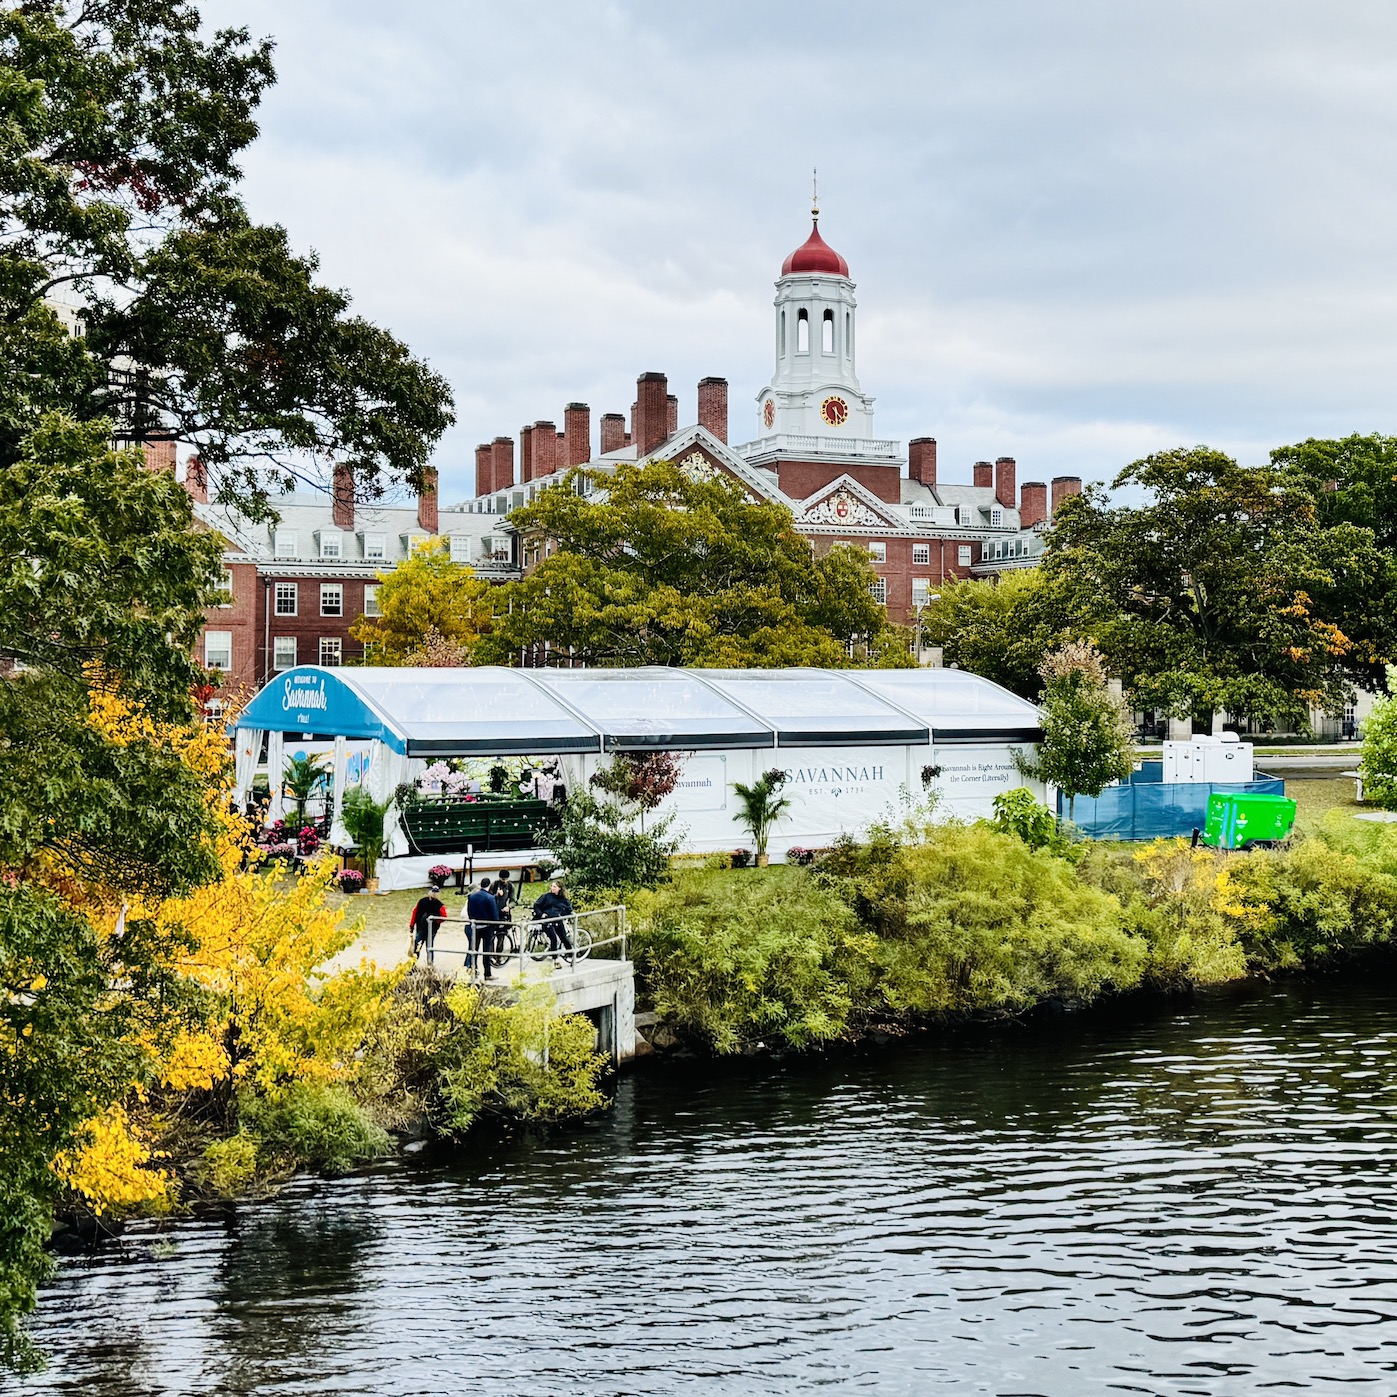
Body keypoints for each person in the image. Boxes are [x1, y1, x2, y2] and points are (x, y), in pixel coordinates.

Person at [466, 875, 502, 979]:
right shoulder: (489, 897)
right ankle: (487, 973)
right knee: (486, 951)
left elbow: (469, 911)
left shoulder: (472, 897)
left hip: (475, 926)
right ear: (489, 885)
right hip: (487, 928)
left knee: (474, 950)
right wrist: (495, 925)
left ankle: (473, 970)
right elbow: (494, 914)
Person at [532, 879, 575, 959]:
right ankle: (555, 960)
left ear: (559, 888)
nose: (552, 888)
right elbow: (536, 905)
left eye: (555, 887)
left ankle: (571, 955)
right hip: (547, 920)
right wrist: (541, 914)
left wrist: (561, 915)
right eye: (552, 886)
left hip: (557, 920)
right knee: (553, 938)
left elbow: (569, 910)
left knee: (564, 938)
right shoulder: (546, 896)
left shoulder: (563, 900)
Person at [408, 886, 449, 964]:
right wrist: (436, 921)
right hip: (431, 929)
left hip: (420, 928)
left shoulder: (421, 901)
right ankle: (430, 964)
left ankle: (412, 964)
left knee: (417, 946)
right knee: (429, 947)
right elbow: (444, 917)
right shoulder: (439, 905)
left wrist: (412, 926)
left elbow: (414, 913)